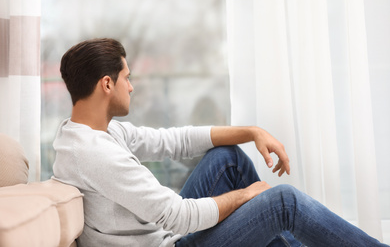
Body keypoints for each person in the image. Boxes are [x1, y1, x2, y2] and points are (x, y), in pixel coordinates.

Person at [52, 38, 388, 247]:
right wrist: (247, 196)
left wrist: (252, 131)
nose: (132, 87)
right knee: (284, 202)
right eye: (127, 78)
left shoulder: (92, 132)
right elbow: (178, 216)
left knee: (227, 156)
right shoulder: (96, 155)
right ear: (107, 84)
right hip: (171, 240)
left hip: (165, 231)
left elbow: (174, 140)